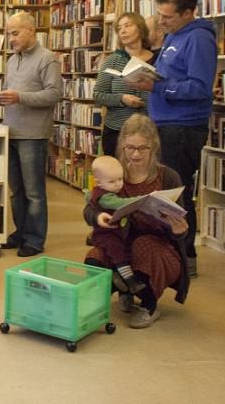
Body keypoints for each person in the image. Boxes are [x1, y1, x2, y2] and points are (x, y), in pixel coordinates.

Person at [130, 0, 217, 277]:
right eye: (160, 15)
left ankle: (184, 257)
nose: (162, 21)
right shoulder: (174, 37)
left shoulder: (199, 39)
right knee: (164, 193)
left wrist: (158, 85)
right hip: (165, 124)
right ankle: (170, 253)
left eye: (168, 17)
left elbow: (199, 87)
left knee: (176, 194)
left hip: (182, 127)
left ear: (189, 13)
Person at [83, 114, 190, 329]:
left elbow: (183, 221)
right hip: (120, 240)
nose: (135, 154)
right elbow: (90, 208)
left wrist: (180, 230)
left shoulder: (168, 176)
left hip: (158, 245)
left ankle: (148, 304)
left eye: (143, 148)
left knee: (145, 248)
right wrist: (97, 217)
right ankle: (127, 290)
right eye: (129, 147)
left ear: (154, 146)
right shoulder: (114, 173)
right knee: (95, 257)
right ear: (122, 145)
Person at [0, 12, 61, 257]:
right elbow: (10, 92)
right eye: (8, 34)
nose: (10, 39)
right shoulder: (11, 60)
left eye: (15, 33)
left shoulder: (47, 59)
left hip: (33, 134)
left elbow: (54, 94)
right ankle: (20, 232)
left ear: (31, 31)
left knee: (34, 191)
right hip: (11, 131)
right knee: (16, 190)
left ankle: (35, 240)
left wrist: (19, 97)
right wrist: (0, 98)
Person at [93, 12, 155, 156]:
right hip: (117, 131)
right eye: (119, 28)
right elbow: (98, 95)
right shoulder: (113, 60)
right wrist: (122, 99)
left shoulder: (158, 59)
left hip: (149, 130)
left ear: (140, 28)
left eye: (128, 25)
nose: (123, 31)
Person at [86, 155, 147, 294]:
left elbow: (88, 196)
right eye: (112, 181)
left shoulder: (102, 191)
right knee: (118, 252)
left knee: (119, 251)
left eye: (120, 179)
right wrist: (143, 199)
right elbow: (121, 204)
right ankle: (130, 280)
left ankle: (117, 275)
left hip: (115, 231)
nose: (118, 184)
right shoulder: (106, 197)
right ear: (98, 182)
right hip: (106, 234)